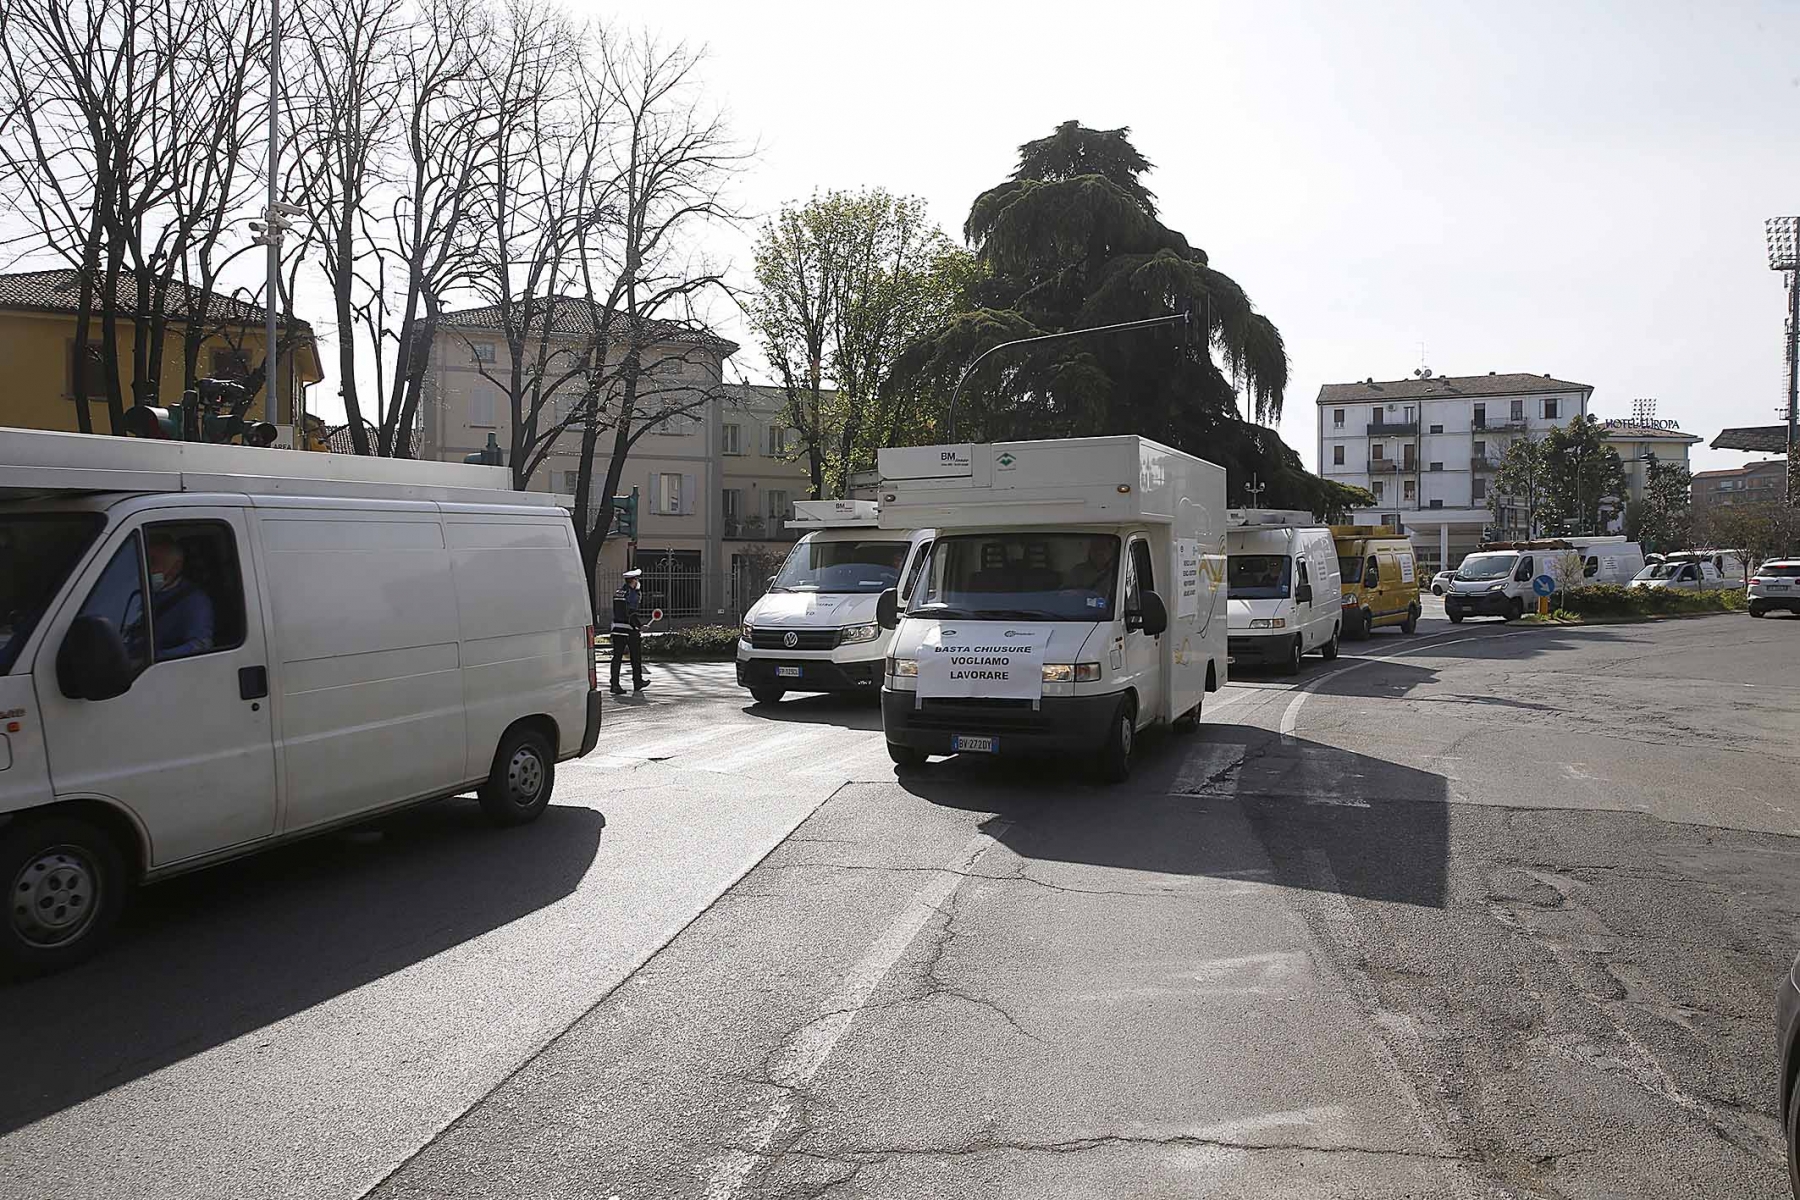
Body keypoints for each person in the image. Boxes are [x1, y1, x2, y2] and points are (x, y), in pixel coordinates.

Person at [146, 537, 214, 659]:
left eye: (153, 562)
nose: (147, 569)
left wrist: (154, 658)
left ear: (175, 567)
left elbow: (201, 645)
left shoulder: (195, 602)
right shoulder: (140, 591)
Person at [610, 568, 650, 695]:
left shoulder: (619, 592)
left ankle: (614, 684)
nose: (638, 582)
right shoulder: (632, 594)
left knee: (617, 658)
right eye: (637, 579)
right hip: (629, 630)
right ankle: (637, 682)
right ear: (633, 580)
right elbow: (631, 613)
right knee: (635, 657)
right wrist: (639, 626)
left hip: (617, 629)